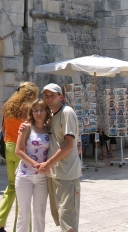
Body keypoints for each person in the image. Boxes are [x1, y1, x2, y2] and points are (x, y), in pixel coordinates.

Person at [0, 81, 39, 232]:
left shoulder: (8, 107)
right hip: (22, 149)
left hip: (8, 147)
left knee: (12, 186)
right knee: (23, 191)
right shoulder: (28, 109)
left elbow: (4, 128)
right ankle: (21, 229)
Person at [38, 83, 81, 232]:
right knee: (59, 215)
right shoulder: (50, 115)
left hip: (67, 173)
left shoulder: (67, 112)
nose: (49, 99)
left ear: (61, 97)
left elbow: (68, 144)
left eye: (52, 96)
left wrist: (48, 163)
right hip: (54, 173)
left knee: (68, 217)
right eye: (46, 96)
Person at [15, 99, 51, 232]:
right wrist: (35, 164)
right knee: (23, 212)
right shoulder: (26, 127)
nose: (39, 113)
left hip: (42, 177)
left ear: (46, 112)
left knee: (40, 212)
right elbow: (18, 151)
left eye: (41, 110)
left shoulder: (49, 129)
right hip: (25, 175)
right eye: (35, 110)